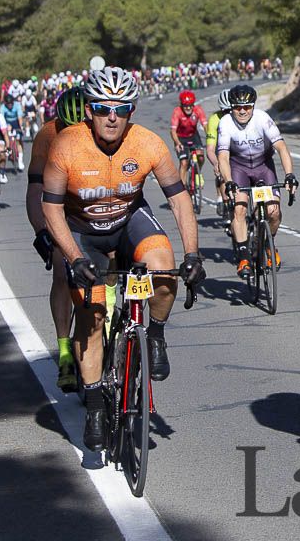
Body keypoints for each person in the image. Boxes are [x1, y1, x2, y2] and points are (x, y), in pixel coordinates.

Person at [42, 66, 205, 452]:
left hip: (129, 220)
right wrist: (74, 257)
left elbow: (179, 199)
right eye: (102, 108)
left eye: (121, 108)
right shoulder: (66, 146)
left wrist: (194, 254)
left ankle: (156, 335)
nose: (112, 116)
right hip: (83, 232)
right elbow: (51, 211)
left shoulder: (148, 143)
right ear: (89, 111)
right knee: (92, 315)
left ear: (131, 110)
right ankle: (97, 405)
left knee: (164, 270)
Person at [25, 87, 86, 392]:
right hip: (60, 211)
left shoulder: (101, 128)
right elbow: (35, 190)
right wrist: (41, 233)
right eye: (68, 129)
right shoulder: (47, 135)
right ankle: (64, 352)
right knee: (63, 273)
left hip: (95, 209)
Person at [218, 84, 297, 277]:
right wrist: (228, 181)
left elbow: (281, 148)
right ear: (231, 107)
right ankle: (244, 256)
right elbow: (222, 156)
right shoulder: (226, 123)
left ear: (253, 106)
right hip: (239, 168)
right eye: (238, 107)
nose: (243, 111)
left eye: (247, 107)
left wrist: (289, 174)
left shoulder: (263, 118)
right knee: (239, 208)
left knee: (274, 212)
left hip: (263, 167)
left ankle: (269, 245)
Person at [170, 90, 208, 193]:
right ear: (182, 105)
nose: (188, 108)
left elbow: (205, 125)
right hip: (180, 138)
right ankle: (181, 190)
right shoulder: (177, 112)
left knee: (200, 155)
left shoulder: (198, 110)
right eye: (186, 106)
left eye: (190, 105)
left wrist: (209, 136)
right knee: (184, 162)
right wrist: (177, 143)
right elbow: (173, 131)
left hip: (193, 136)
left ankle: (197, 174)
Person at [205, 89, 232, 215]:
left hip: (236, 148)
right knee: (221, 172)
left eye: (231, 110)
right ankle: (223, 199)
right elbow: (210, 149)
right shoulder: (214, 119)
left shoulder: (242, 115)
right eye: (225, 111)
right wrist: (216, 163)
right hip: (220, 148)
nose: (229, 114)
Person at [0, 91, 26, 172]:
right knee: (5, 136)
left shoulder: (17, 105)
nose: (10, 105)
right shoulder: (3, 107)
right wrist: (5, 127)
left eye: (11, 103)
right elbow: (1, 118)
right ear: (5, 103)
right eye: (8, 104)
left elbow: (19, 117)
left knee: (18, 140)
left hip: (16, 122)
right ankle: (7, 148)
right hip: (7, 122)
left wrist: (21, 127)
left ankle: (20, 160)